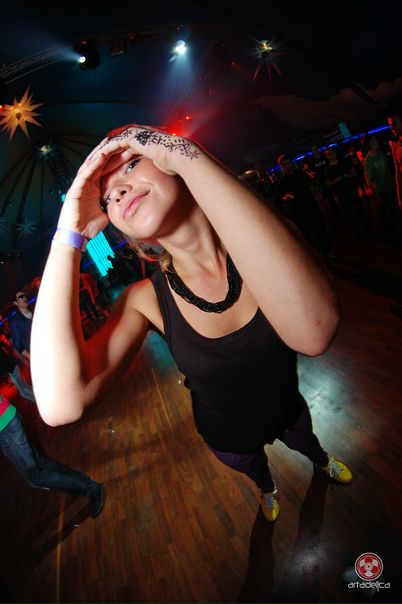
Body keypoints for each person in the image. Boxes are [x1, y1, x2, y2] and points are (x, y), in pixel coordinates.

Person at [31, 124, 352, 523]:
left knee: (309, 443)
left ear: (169, 158)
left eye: (130, 164)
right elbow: (60, 405)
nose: (119, 192)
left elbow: (315, 332)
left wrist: (185, 153)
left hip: (289, 410)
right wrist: (69, 232)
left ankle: (321, 461)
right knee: (258, 474)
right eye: (108, 197)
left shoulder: (264, 243)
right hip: (230, 438)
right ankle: (267, 490)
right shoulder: (143, 300)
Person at [0, 393, 105, 517]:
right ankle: (81, 482)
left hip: (6, 426)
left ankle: (92, 488)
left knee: (35, 477)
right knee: (39, 463)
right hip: (5, 425)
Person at [275, 154, 334, 257]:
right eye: (285, 164)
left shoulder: (301, 173)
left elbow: (312, 182)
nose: (289, 165)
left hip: (311, 206)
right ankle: (311, 254)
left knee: (320, 229)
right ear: (282, 166)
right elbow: (279, 199)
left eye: (289, 162)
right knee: (306, 234)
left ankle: (327, 251)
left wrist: (313, 175)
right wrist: (286, 197)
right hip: (298, 211)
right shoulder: (282, 181)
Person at [362, 133, 401, 242]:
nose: (377, 141)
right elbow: (369, 180)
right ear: (370, 144)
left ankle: (397, 235)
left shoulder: (381, 153)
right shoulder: (368, 160)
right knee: (388, 217)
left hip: (391, 188)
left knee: (395, 213)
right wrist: (376, 195)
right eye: (375, 140)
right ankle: (392, 239)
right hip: (381, 192)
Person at [0, 336, 36, 403]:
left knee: (23, 392)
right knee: (26, 387)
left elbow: (3, 362)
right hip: (13, 369)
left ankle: (39, 400)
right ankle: (39, 398)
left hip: (13, 371)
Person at [9, 291, 33, 363]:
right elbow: (18, 345)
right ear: (16, 303)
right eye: (20, 297)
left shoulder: (35, 311)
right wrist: (31, 357)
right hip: (37, 352)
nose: (24, 298)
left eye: (24, 295)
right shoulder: (16, 322)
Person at [387, 112, 402, 210]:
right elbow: (398, 174)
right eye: (390, 125)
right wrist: (399, 197)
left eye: (394, 124)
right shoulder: (395, 145)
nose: (392, 128)